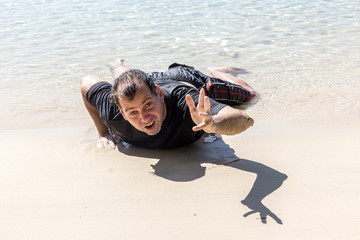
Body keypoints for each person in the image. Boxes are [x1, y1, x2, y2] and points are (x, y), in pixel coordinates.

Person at [80, 59, 258, 150]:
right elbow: (86, 83)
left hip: (185, 79)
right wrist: (103, 133)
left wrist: (213, 125)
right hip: (145, 84)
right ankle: (117, 65)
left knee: (251, 95)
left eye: (148, 105)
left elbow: (245, 119)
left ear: (158, 94)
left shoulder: (187, 103)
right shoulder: (114, 114)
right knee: (124, 83)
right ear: (122, 113)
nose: (144, 117)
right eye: (132, 112)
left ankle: (217, 71)